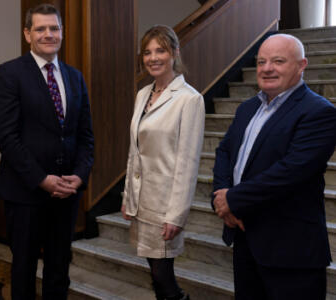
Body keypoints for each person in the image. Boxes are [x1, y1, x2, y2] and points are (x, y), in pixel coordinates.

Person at [212, 33, 336, 299]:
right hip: (244, 236)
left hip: (290, 251)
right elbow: (223, 152)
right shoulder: (247, 108)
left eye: (278, 61)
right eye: (261, 62)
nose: (267, 68)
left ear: (302, 65)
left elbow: (291, 172)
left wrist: (232, 199)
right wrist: (221, 195)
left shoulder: (319, 112)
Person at [0, 3, 94, 299]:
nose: (49, 34)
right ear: (27, 34)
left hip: (66, 194)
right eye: (40, 29)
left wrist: (79, 175)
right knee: (23, 270)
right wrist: (41, 179)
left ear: (62, 32)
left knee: (59, 268)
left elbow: (85, 136)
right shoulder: (10, 74)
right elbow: (6, 137)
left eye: (54, 28)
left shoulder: (75, 77)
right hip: (25, 192)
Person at [121, 25, 204, 300]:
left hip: (165, 205)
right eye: (147, 52)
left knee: (162, 274)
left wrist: (176, 215)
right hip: (141, 201)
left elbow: (188, 163)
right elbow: (135, 151)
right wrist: (127, 196)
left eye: (160, 50)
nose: (153, 57)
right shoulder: (142, 94)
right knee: (153, 270)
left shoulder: (190, 99)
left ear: (175, 53)